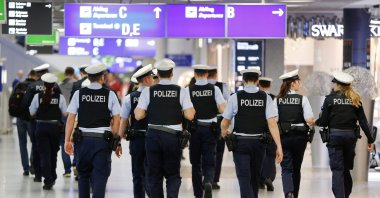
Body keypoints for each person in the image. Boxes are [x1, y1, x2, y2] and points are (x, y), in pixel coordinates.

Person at [134, 58, 195, 198]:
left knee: (154, 174)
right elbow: (190, 115)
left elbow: (138, 115)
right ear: (172, 73)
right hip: (172, 136)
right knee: (173, 174)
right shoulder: (181, 91)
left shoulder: (148, 91)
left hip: (153, 136)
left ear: (158, 74)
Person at [221, 68, 283, 198]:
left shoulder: (235, 97)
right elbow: (272, 123)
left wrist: (223, 131)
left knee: (244, 177)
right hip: (259, 143)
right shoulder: (265, 97)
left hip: (241, 143)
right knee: (254, 178)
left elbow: (225, 121)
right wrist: (279, 146)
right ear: (257, 81)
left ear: (243, 81)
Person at [64, 63, 121, 198]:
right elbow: (117, 120)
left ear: (88, 77)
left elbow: (71, 119)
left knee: (83, 176)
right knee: (100, 177)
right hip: (102, 141)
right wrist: (116, 141)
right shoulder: (110, 94)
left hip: (82, 141)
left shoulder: (79, 94)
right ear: (102, 77)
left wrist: (67, 140)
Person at [315, 71, 375, 198]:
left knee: (337, 170)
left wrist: (315, 122)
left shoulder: (330, 99)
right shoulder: (355, 99)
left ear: (338, 85)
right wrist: (370, 139)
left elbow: (323, 121)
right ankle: (345, 195)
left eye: (335, 84)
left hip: (335, 138)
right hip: (350, 138)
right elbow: (363, 121)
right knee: (346, 169)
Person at [186, 65, 226, 198]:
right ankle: (208, 180)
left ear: (195, 74)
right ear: (207, 74)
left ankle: (198, 193)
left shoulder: (188, 90)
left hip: (194, 129)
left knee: (195, 162)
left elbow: (185, 112)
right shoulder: (214, 89)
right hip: (210, 129)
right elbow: (222, 109)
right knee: (210, 157)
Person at [275, 69, 315, 198]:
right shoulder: (302, 99)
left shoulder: (277, 100)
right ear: (292, 83)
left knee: (286, 167)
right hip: (299, 138)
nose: (300, 84)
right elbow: (309, 119)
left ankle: (288, 192)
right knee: (296, 168)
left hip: (284, 137)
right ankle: (295, 195)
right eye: (298, 82)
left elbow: (274, 120)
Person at [118, 64, 155, 198]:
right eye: (151, 77)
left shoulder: (130, 97)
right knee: (153, 171)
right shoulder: (156, 95)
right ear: (146, 79)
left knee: (137, 173)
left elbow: (123, 120)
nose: (153, 79)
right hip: (154, 138)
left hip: (137, 139)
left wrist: (118, 141)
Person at [21, 63, 61, 182]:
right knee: (52, 151)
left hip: (36, 123)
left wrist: (30, 117)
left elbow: (24, 104)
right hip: (53, 124)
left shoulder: (32, 86)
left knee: (37, 147)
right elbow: (60, 103)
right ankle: (51, 174)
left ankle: (38, 174)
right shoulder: (56, 86)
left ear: (38, 74)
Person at [29, 73, 67, 190]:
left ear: (44, 85)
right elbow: (65, 113)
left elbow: (31, 112)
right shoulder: (60, 98)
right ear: (54, 84)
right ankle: (53, 175)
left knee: (43, 154)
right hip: (54, 128)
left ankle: (48, 180)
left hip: (40, 127)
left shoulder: (37, 97)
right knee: (53, 154)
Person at [207, 66, 230, 190]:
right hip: (219, 123)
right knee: (219, 152)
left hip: (203, 124)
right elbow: (228, 104)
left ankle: (205, 178)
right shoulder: (223, 86)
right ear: (215, 75)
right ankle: (214, 180)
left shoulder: (198, 87)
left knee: (204, 151)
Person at [13, 70, 38, 175]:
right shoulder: (36, 87)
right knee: (34, 142)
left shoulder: (19, 85)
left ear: (28, 75)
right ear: (36, 76)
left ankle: (25, 168)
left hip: (20, 118)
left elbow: (12, 100)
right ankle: (33, 165)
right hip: (31, 119)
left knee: (22, 143)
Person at [258, 77, 277, 191]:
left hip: (258, 131)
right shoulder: (274, 98)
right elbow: (276, 117)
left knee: (259, 155)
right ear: (269, 86)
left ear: (259, 85)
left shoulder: (257, 96)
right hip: (271, 131)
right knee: (271, 155)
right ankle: (269, 177)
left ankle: (260, 179)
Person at [59, 66, 77, 177]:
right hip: (75, 116)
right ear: (73, 73)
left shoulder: (59, 85)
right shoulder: (77, 84)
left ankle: (67, 170)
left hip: (63, 116)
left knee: (64, 142)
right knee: (77, 140)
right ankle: (75, 164)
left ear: (65, 74)